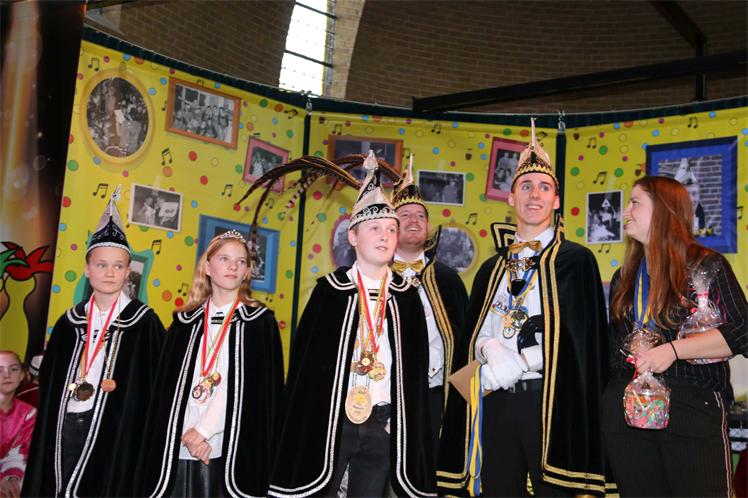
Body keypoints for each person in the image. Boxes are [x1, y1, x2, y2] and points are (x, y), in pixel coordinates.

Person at [438, 119, 610, 496]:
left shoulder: (576, 261)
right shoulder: (492, 267)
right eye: (526, 186)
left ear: (557, 201)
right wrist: (490, 348)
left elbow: (581, 340)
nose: (535, 194)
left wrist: (522, 360)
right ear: (511, 198)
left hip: (551, 404)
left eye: (545, 187)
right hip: (495, 402)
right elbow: (475, 333)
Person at [269, 152, 436, 497]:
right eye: (374, 228)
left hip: (383, 423)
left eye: (391, 229)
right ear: (353, 237)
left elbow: (415, 374)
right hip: (333, 423)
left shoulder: (407, 298)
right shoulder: (329, 292)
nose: (384, 236)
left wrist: (397, 422)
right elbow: (306, 374)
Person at [600, 175, 747, 497]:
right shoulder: (625, 277)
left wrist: (672, 350)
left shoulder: (707, 266)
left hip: (691, 409)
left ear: (664, 210)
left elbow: (742, 331)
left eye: (635, 203)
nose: (625, 212)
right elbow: (612, 353)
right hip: (629, 413)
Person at [23, 189, 165, 497]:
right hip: (64, 423)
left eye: (118, 266)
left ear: (128, 272)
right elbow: (49, 386)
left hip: (114, 435)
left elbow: (156, 392)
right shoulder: (68, 323)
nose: (110, 273)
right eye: (101, 265)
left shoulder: (144, 324)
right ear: (88, 270)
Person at [137, 230, 283, 497]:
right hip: (182, 441)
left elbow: (250, 390)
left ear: (247, 272)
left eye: (241, 261)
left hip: (228, 446)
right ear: (207, 266)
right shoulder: (185, 323)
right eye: (224, 258)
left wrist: (205, 431)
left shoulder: (259, 323)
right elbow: (168, 393)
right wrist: (190, 433)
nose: (233, 266)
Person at [390, 156, 468, 468]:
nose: (414, 220)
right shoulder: (375, 276)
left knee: (431, 474)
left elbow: (465, 344)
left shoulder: (448, 280)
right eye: (405, 214)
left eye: (420, 215)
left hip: (435, 396)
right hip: (385, 397)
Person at [1, 351, 36, 498]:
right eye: (0, 370)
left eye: (13, 369)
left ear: (22, 375)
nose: (7, 375)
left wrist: (13, 478)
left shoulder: (28, 412)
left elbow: (19, 452)